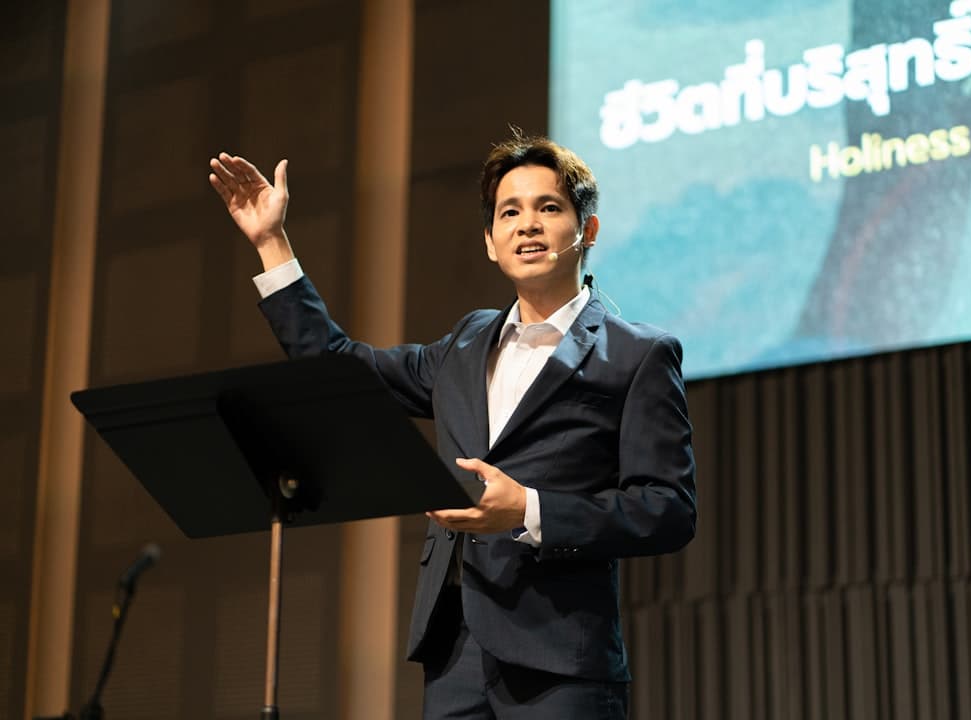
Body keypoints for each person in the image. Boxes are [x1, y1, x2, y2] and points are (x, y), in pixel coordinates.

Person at [209, 133, 696, 719]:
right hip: (454, 649)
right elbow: (338, 367)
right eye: (508, 212)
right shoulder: (466, 342)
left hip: (561, 659)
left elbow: (667, 508)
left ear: (587, 230)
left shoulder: (638, 354)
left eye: (548, 207)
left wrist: (530, 510)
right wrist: (272, 243)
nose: (527, 224)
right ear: (490, 242)